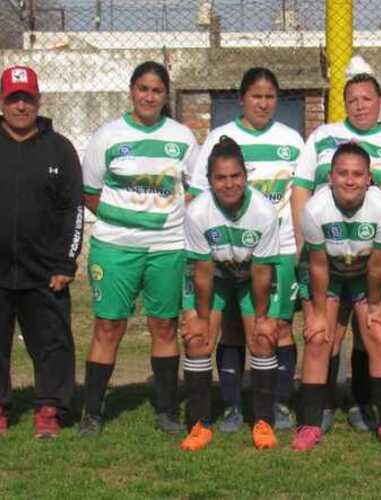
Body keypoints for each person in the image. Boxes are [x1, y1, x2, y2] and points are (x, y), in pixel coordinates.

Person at [291, 72, 381, 432]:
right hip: (327, 241)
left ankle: (364, 404)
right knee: (328, 330)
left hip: (378, 243)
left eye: (367, 98)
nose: (360, 105)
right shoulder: (323, 137)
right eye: (352, 99)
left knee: (373, 329)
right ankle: (325, 404)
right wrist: (305, 242)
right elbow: (301, 189)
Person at [79, 61, 199, 435]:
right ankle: (92, 413)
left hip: (167, 247)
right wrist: (126, 221)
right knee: (108, 326)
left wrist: (163, 222)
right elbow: (90, 192)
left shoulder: (182, 137)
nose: (149, 96)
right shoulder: (107, 136)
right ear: (132, 91)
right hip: (115, 246)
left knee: (163, 326)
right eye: (143, 88)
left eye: (157, 91)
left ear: (166, 97)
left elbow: (195, 189)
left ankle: (165, 410)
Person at [189, 68, 304, 432]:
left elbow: (300, 193)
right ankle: (233, 405)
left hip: (277, 245)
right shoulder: (219, 139)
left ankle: (277, 404)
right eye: (256, 96)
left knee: (277, 326)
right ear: (242, 99)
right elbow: (198, 195)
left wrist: (301, 244)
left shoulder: (292, 140)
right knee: (234, 330)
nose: (263, 103)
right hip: (227, 248)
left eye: (270, 96)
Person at [292, 142, 381, 451]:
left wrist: (374, 306)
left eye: (357, 174)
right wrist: (316, 312)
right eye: (342, 173)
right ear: (331, 176)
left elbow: (378, 264)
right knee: (318, 338)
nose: (350, 180)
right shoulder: (315, 210)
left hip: (364, 272)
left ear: (369, 178)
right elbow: (316, 266)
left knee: (378, 334)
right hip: (326, 271)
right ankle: (310, 424)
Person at [180, 136, 281, 451]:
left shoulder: (264, 212)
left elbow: (262, 273)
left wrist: (263, 317)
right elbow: (203, 272)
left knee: (263, 337)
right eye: (220, 178)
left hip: (252, 276)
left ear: (246, 176)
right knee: (197, 338)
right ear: (209, 181)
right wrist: (200, 317)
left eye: (235, 176)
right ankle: (200, 424)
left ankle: (263, 422)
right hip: (215, 277)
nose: (229, 184)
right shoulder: (197, 212)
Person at [0, 65, 83, 438]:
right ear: (2, 102)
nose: (20, 106)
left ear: (38, 101)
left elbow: (74, 210)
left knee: (52, 342)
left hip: (45, 270)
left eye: (27, 99)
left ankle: (49, 409)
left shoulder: (60, 148)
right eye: (13, 99)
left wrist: (66, 261)